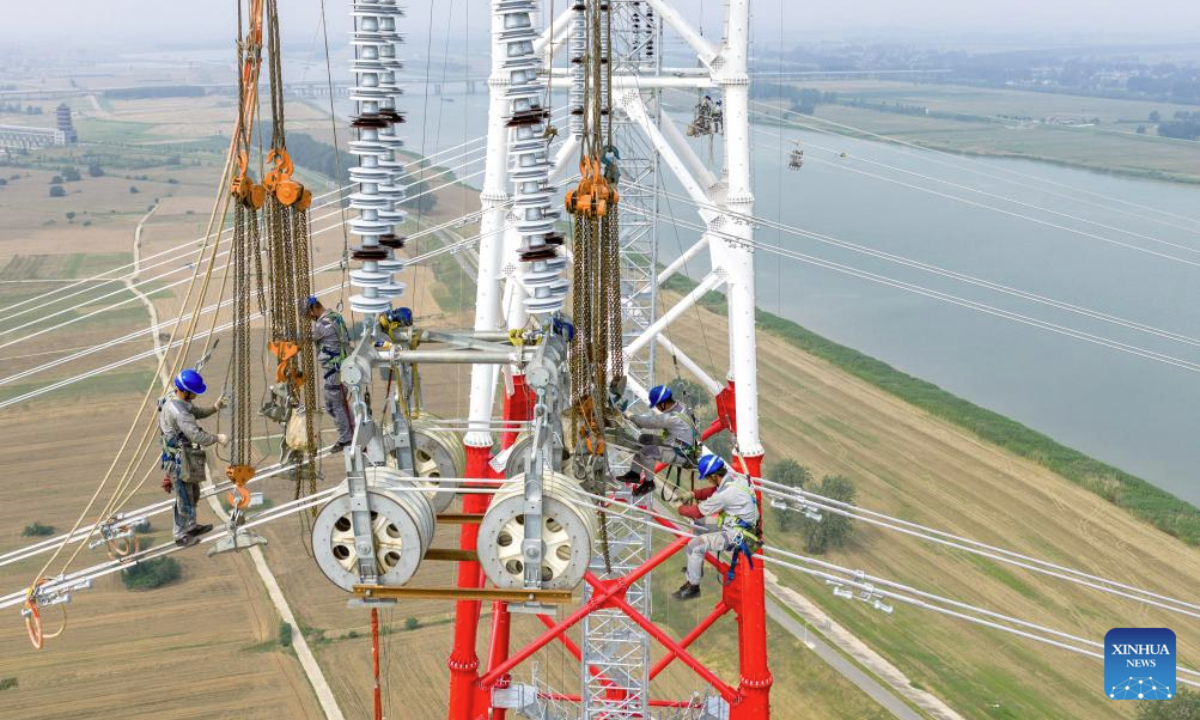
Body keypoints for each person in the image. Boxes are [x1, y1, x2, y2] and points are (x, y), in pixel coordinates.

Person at [672, 454, 760, 601]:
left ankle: (693, 587)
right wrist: (694, 494)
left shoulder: (724, 495)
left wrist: (679, 507)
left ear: (713, 476)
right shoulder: (735, 479)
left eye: (708, 478)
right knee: (699, 526)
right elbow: (714, 491)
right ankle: (695, 567)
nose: (708, 480)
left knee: (694, 545)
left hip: (737, 535)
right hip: (742, 526)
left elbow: (696, 512)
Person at [159, 369, 228, 547]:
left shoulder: (176, 398)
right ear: (185, 391)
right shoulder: (180, 413)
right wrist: (217, 438)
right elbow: (197, 436)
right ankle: (180, 535)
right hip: (177, 460)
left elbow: (194, 412)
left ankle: (190, 526)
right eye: (194, 392)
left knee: (193, 493)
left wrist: (214, 408)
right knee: (184, 497)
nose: (195, 395)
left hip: (183, 457)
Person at [619, 385, 697, 495]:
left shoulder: (671, 418)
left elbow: (648, 422)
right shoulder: (680, 406)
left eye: (657, 405)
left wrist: (629, 415)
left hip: (681, 453)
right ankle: (634, 473)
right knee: (644, 439)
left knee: (647, 452)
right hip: (677, 443)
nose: (657, 408)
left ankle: (649, 483)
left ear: (662, 404)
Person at [305, 296, 353, 452]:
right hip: (340, 367)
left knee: (335, 405)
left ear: (314, 309)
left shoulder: (322, 324)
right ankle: (351, 429)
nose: (310, 318)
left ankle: (346, 438)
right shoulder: (335, 316)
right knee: (336, 404)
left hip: (334, 370)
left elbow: (305, 339)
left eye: (309, 314)